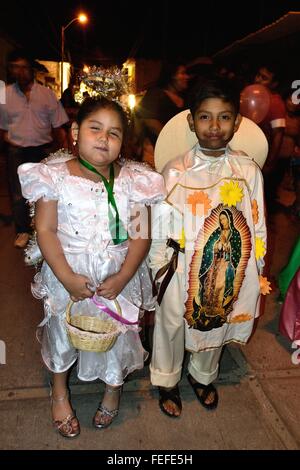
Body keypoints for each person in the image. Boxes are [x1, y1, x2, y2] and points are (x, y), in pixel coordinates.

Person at [18, 96, 166, 437]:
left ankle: (113, 389)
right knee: (63, 332)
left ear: (123, 141)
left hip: (119, 273)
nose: (104, 138)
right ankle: (59, 391)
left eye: (114, 133)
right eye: (95, 128)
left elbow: (140, 235)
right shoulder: (53, 176)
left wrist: (124, 275)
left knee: (118, 334)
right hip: (67, 270)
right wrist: (67, 277)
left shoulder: (135, 179)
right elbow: (45, 229)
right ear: (75, 131)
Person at [149, 78, 267, 417]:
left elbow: (256, 221)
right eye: (205, 117)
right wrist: (158, 268)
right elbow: (159, 224)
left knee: (216, 318)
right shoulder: (175, 171)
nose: (214, 126)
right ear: (190, 121)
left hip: (227, 267)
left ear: (237, 121)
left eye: (224, 117)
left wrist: (254, 267)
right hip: (180, 264)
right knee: (171, 323)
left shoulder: (247, 171)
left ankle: (202, 374)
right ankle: (167, 378)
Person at [0, 49, 69, 249]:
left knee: (44, 192)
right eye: (15, 68)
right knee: (18, 194)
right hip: (16, 151)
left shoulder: (47, 94)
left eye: (23, 67)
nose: (20, 72)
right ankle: (23, 231)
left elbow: (58, 125)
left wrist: (64, 149)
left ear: (31, 70)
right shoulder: (4, 95)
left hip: (42, 150)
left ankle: (43, 230)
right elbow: (2, 127)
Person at [135, 62, 189, 166]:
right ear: (172, 76)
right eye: (182, 73)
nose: (186, 77)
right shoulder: (156, 94)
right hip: (156, 150)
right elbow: (149, 120)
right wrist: (171, 140)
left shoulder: (185, 98)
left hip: (179, 154)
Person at [254, 63, 286, 210]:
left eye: (264, 78)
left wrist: (270, 164)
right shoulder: (251, 95)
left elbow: (278, 134)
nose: (258, 79)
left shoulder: (275, 103)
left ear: (274, 84)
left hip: (262, 157)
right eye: (258, 75)